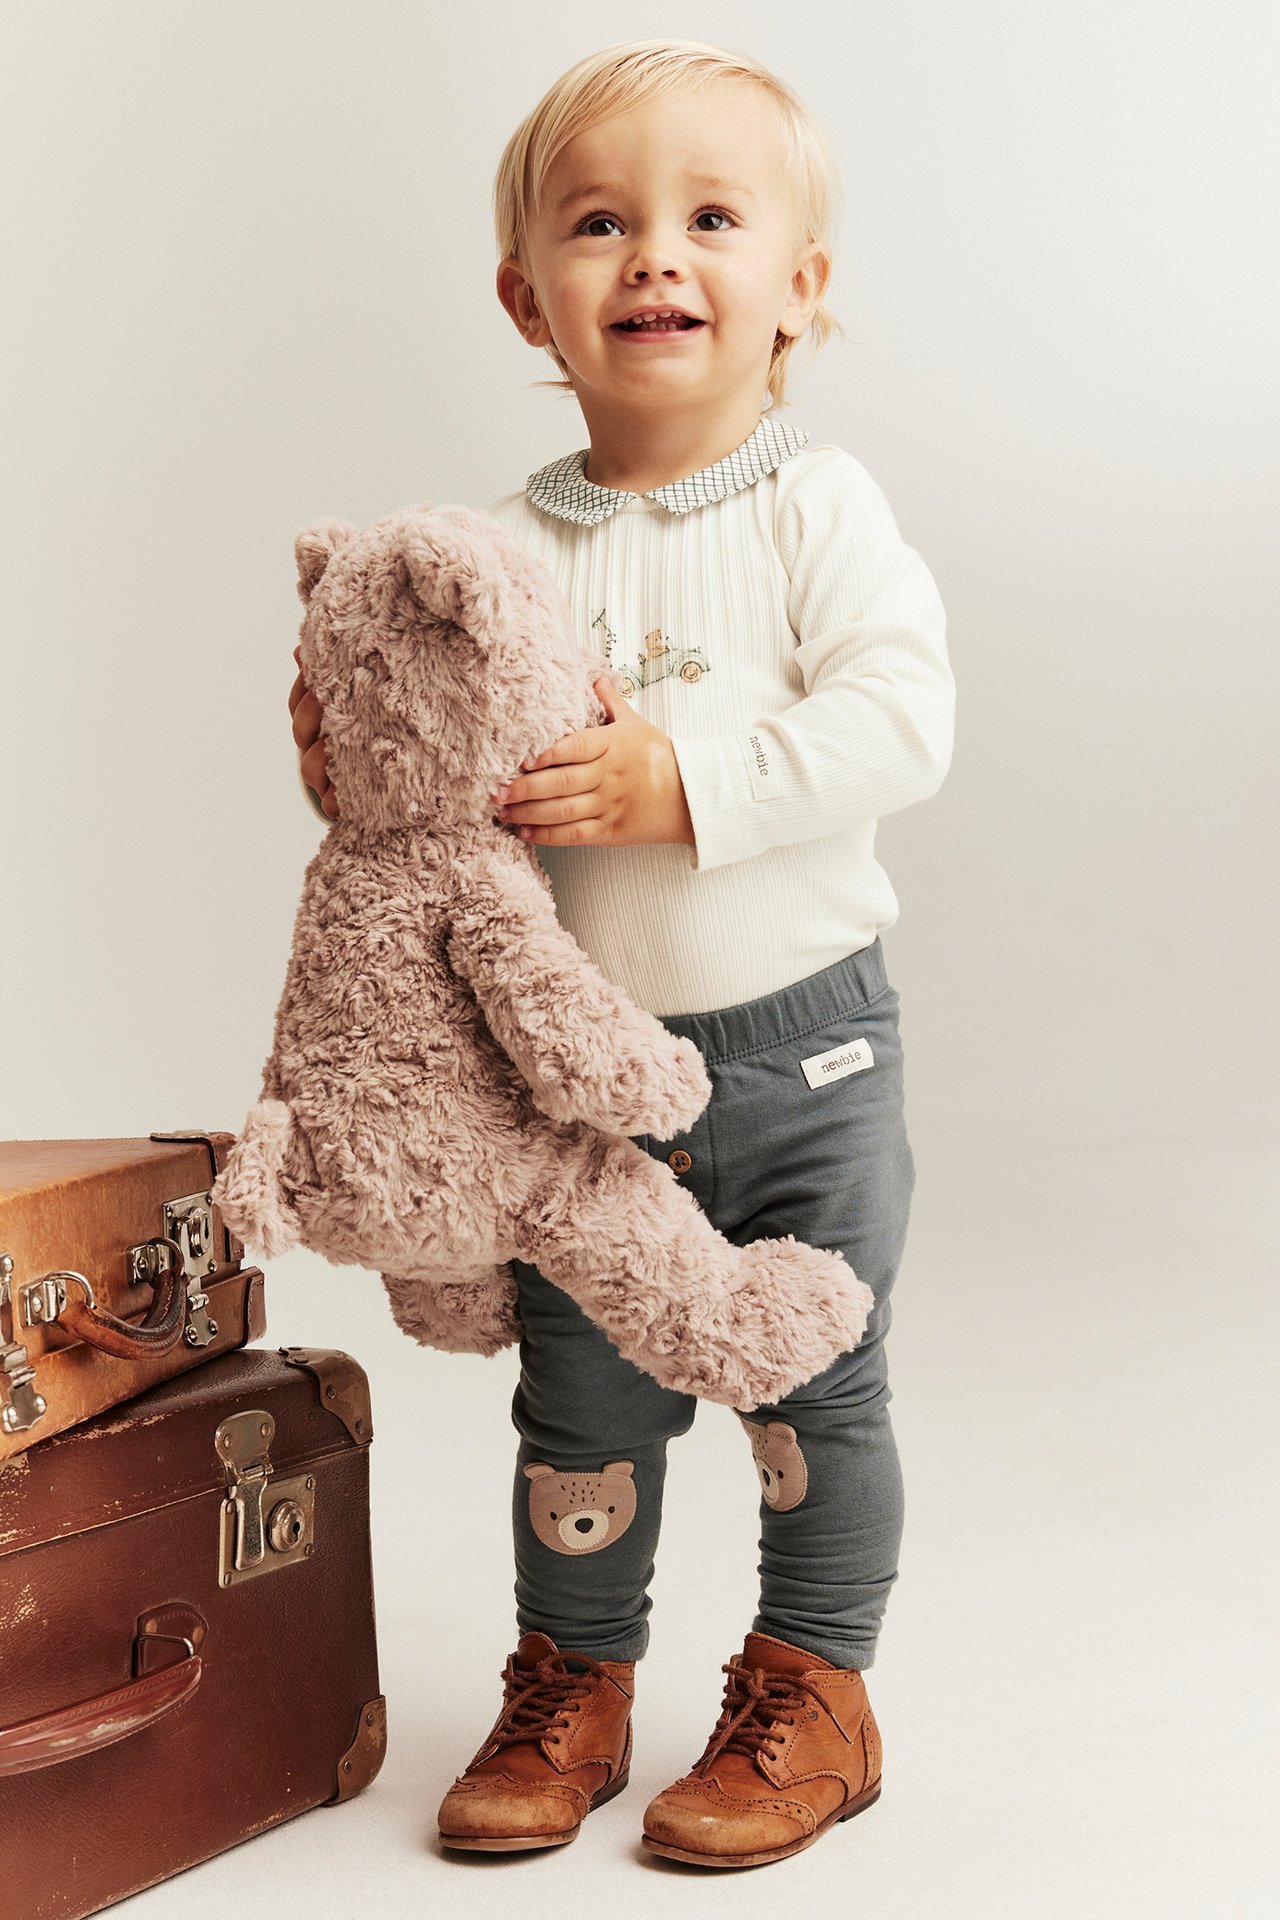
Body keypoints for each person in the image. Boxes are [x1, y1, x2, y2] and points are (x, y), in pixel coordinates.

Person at [290, 37, 954, 1872]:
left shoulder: (817, 510)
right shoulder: (490, 552)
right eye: (601, 225)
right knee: (581, 1398)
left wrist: (690, 778)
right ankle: (571, 1673)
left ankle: (816, 1681)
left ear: (795, 291)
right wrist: (349, 754)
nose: (656, 256)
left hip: (808, 1054)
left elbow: (907, 723)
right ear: (530, 295)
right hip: (572, 1093)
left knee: (817, 1380)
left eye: (712, 219)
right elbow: (409, 763)